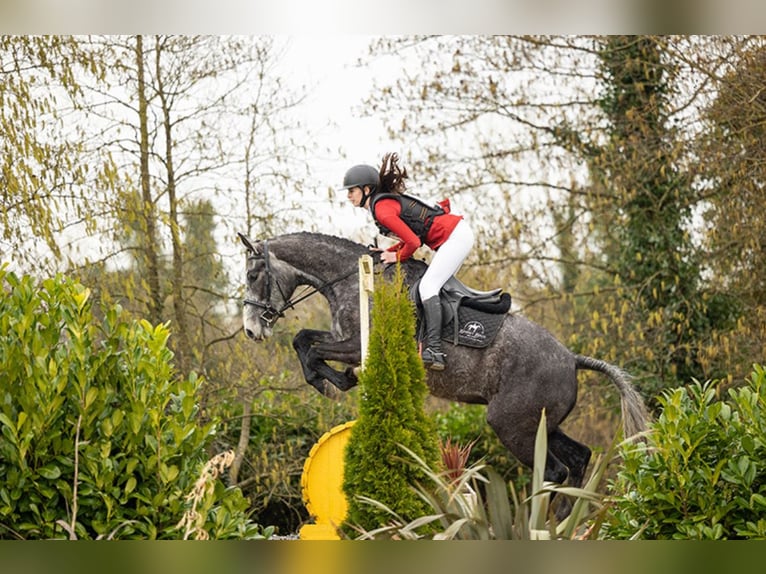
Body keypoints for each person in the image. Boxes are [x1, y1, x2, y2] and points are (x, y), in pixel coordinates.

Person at [342, 152, 474, 371]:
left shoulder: (382, 210)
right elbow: (411, 239)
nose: (348, 196)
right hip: (453, 237)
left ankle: (435, 350)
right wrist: (389, 250)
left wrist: (396, 256)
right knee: (436, 286)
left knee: (428, 286)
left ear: (367, 190)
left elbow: (413, 242)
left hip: (455, 237)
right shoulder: (380, 206)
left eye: (352, 190)